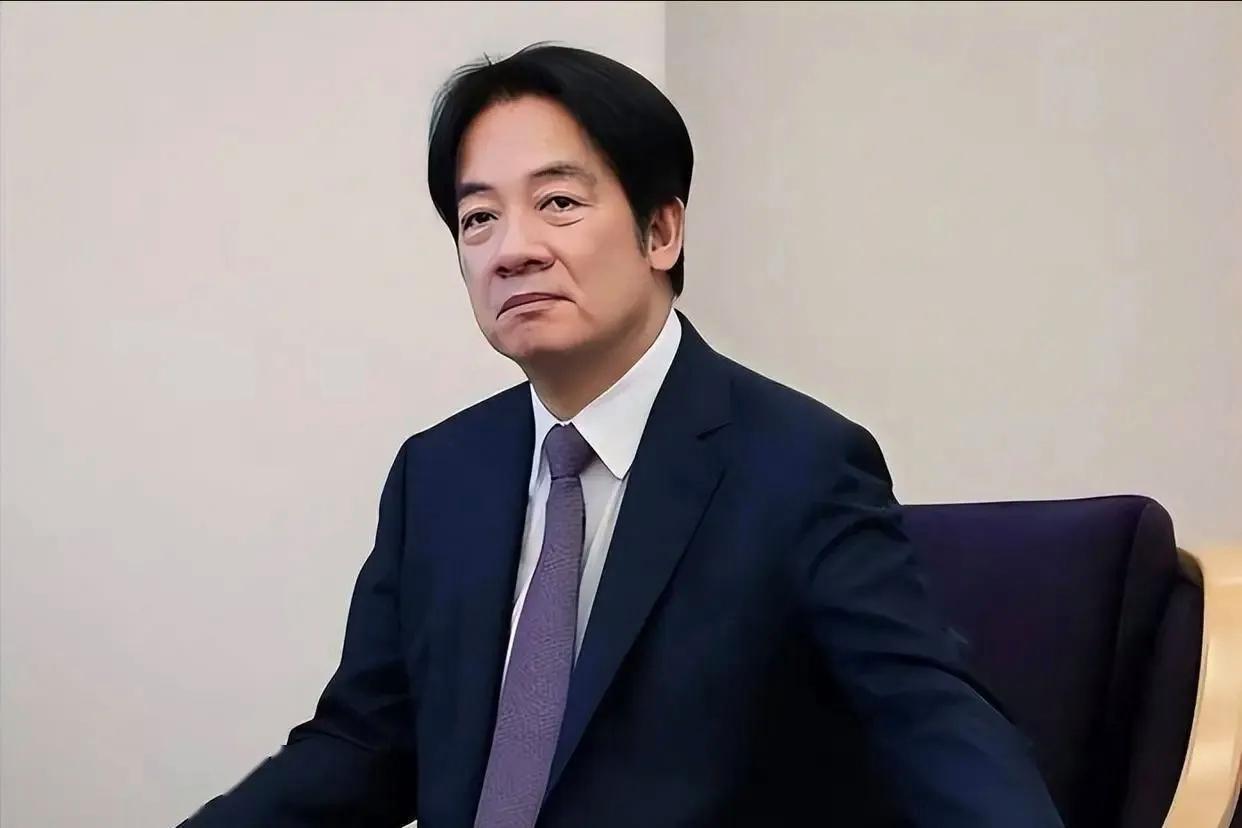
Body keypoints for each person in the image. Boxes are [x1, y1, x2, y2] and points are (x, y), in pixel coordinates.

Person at [178, 43, 1063, 828]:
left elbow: (931, 725)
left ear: (661, 231)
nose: (512, 249)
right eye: (479, 218)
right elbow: (364, 747)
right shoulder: (438, 473)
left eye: (558, 202)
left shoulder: (798, 465)